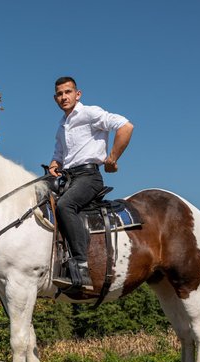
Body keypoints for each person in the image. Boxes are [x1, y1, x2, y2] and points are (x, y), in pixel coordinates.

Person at [48, 76, 134, 289]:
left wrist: (113, 158)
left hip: (89, 177)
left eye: (68, 92)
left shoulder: (90, 113)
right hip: (68, 178)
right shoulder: (61, 126)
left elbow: (125, 126)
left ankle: (81, 265)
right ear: (55, 98)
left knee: (65, 205)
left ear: (78, 94)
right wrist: (53, 166)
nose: (63, 97)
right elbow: (58, 156)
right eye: (59, 94)